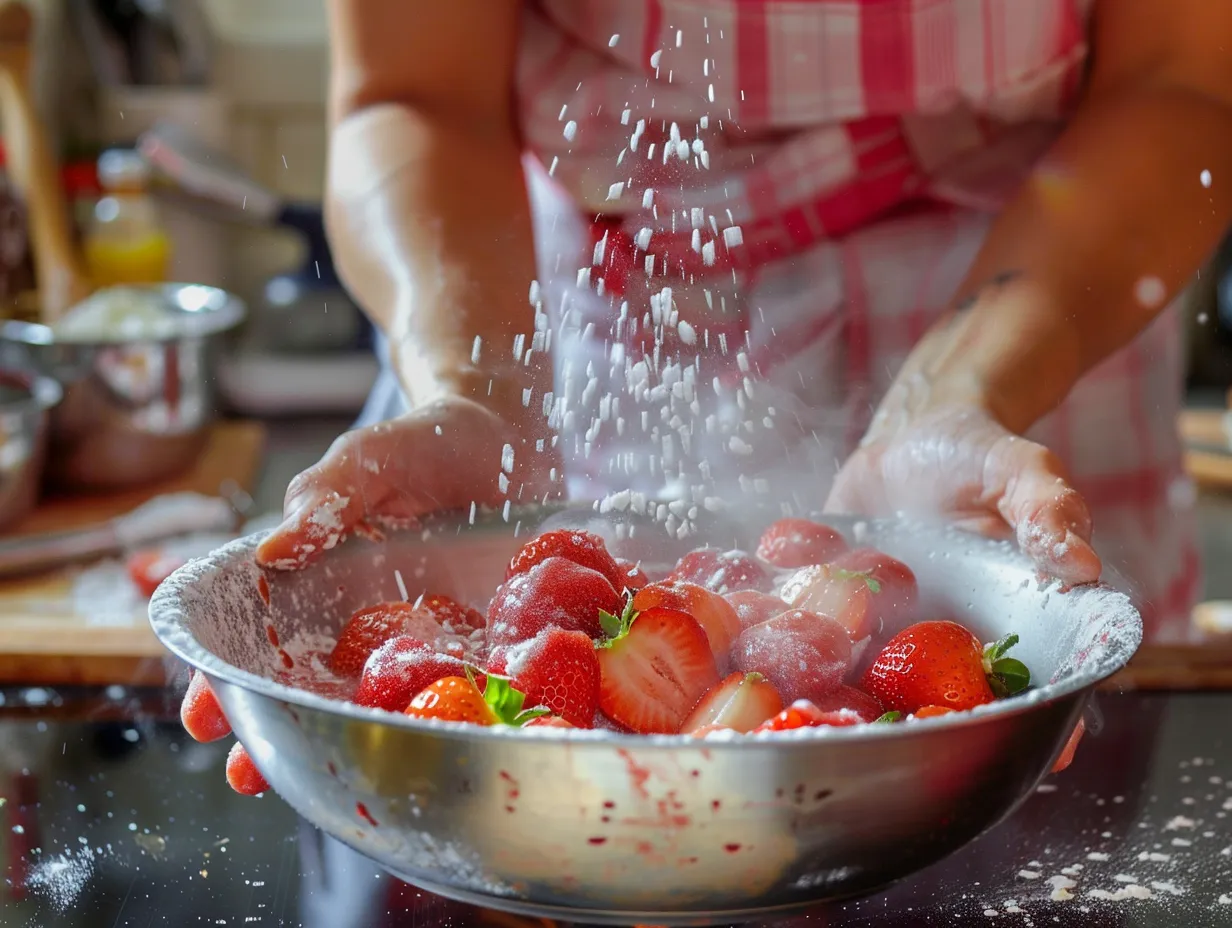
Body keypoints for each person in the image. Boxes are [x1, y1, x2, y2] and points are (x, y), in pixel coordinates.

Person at [191, 0, 1229, 780]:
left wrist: (958, 396)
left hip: (1033, 305)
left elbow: (1178, 83)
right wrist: (475, 390)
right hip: (558, 322)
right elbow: (412, 91)